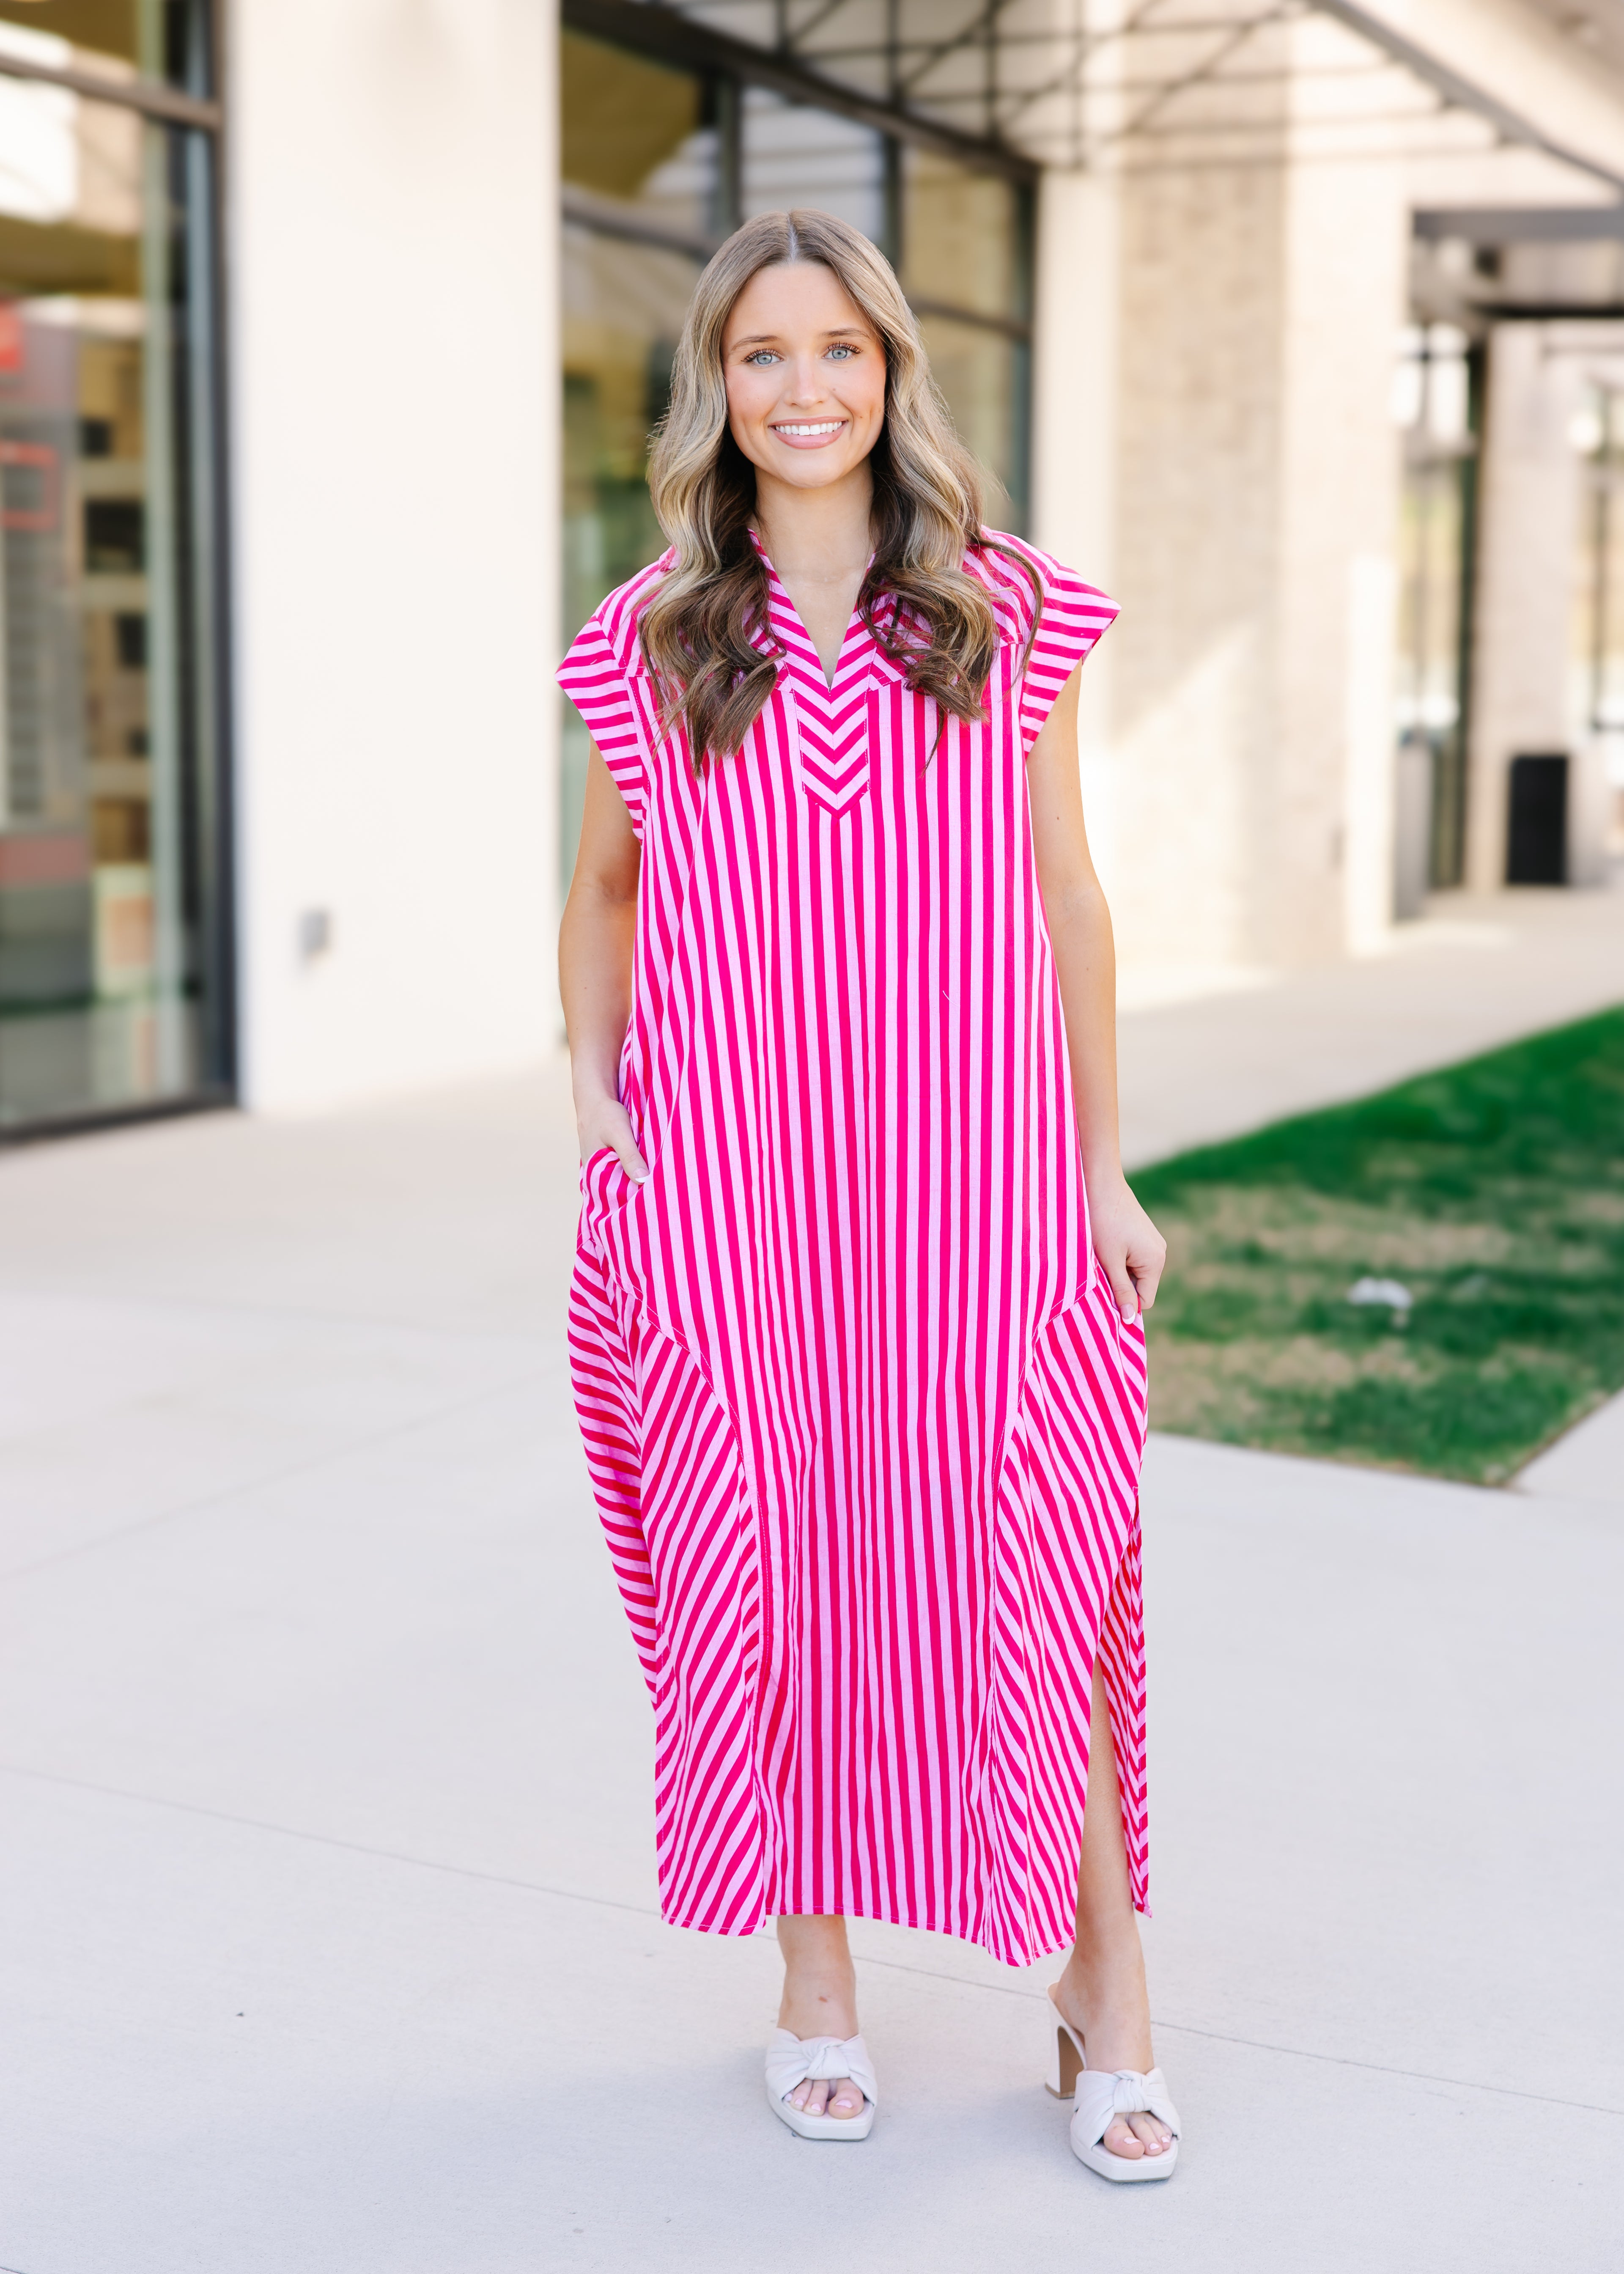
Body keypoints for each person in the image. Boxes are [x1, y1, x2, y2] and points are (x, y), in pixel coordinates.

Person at [557, 208, 1178, 2180]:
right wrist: (595, 1105)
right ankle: (813, 1987)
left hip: (976, 1187)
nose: (804, 387)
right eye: (762, 355)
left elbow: (1071, 900)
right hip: (735, 1188)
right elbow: (605, 894)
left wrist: (1102, 1160)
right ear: (716, 393)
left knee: (1039, 1559)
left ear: (895, 371)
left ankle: (1109, 1999)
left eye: (839, 349)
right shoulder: (651, 635)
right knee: (782, 1566)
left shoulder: (1007, 613)